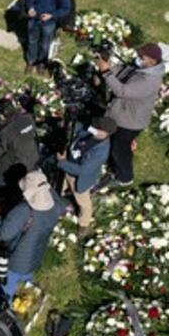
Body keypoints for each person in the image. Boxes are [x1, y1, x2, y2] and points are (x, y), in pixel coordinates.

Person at [0, 169, 64, 302]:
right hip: (36, 255)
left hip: (16, 261)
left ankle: (6, 305)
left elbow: (5, 234)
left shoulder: (24, 210)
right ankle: (30, 299)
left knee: (7, 288)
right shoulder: (55, 204)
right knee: (27, 278)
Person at [98, 43, 166, 187]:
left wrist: (106, 73)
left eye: (142, 57)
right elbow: (123, 72)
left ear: (152, 61)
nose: (138, 58)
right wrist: (109, 67)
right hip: (123, 115)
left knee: (120, 151)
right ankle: (113, 167)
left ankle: (125, 178)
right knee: (117, 145)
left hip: (130, 123)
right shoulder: (143, 69)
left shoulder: (149, 81)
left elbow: (122, 91)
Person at [56, 116, 116, 236]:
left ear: (104, 133)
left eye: (96, 127)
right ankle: (56, 201)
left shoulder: (100, 152)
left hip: (78, 179)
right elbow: (80, 127)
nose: (92, 127)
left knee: (84, 203)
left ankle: (84, 224)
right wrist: (69, 124)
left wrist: (62, 163)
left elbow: (82, 171)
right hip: (68, 167)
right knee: (58, 187)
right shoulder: (92, 132)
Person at [0, 97, 40, 193]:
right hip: (34, 159)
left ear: (2, 115)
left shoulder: (6, 131)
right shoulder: (28, 118)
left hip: (16, 167)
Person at [25, 0, 70, 74]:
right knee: (32, 41)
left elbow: (65, 8)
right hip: (34, 19)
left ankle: (41, 63)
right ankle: (31, 61)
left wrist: (51, 15)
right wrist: (30, 7)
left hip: (49, 23)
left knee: (45, 45)